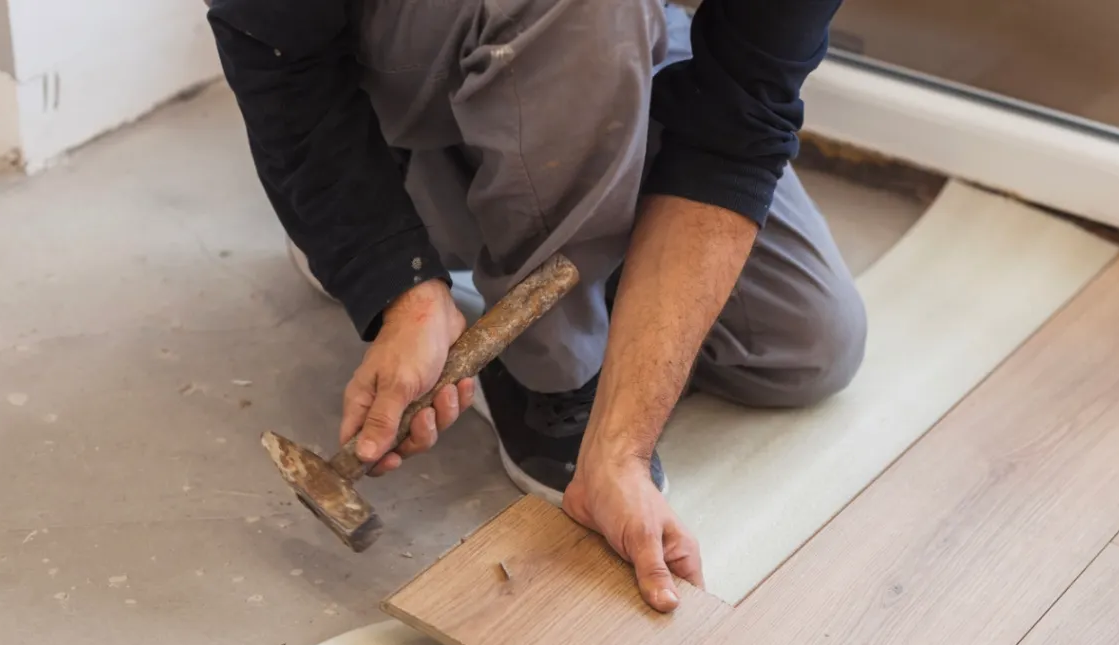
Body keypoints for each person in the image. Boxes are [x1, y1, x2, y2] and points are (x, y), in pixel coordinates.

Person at [207, 0, 866, 611]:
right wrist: (390, 276)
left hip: (597, 41)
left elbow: (737, 127)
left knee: (805, 343)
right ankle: (544, 366)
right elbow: (269, 36)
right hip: (398, 72)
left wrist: (620, 449)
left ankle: (562, 230)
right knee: (585, 11)